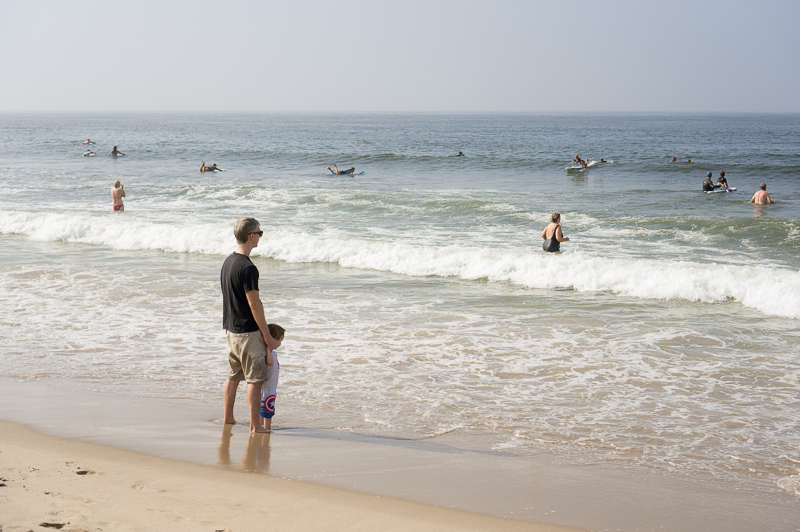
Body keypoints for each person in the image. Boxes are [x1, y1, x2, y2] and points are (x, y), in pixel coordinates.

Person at [221, 217, 279, 434]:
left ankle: (228, 418)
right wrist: (267, 335)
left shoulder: (228, 262)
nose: (260, 236)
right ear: (250, 236)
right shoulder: (248, 268)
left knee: (233, 377)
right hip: (247, 333)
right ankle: (256, 427)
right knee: (255, 380)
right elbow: (254, 305)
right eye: (259, 233)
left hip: (231, 331)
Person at [260, 323, 285, 431]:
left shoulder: (270, 352)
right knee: (267, 412)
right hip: (269, 388)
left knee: (262, 410)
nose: (280, 343)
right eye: (280, 340)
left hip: (267, 386)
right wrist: (268, 349)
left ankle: (261, 425)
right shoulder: (269, 352)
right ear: (273, 339)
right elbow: (270, 362)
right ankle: (266, 427)